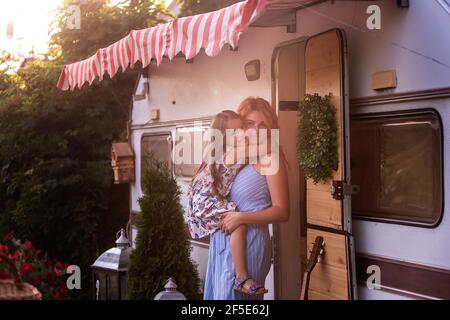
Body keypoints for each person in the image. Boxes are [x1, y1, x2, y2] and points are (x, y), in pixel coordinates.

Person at [204, 97, 290, 300]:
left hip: (250, 241)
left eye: (263, 126)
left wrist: (241, 217)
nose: (256, 130)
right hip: (222, 242)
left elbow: (282, 211)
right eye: (250, 123)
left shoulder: (270, 158)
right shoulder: (239, 156)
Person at [186, 110, 268, 295]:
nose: (241, 134)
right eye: (235, 131)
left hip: (204, 199)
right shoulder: (231, 152)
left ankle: (241, 277)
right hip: (204, 200)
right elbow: (263, 149)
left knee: (237, 220)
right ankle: (242, 277)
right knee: (238, 222)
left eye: (241, 128)